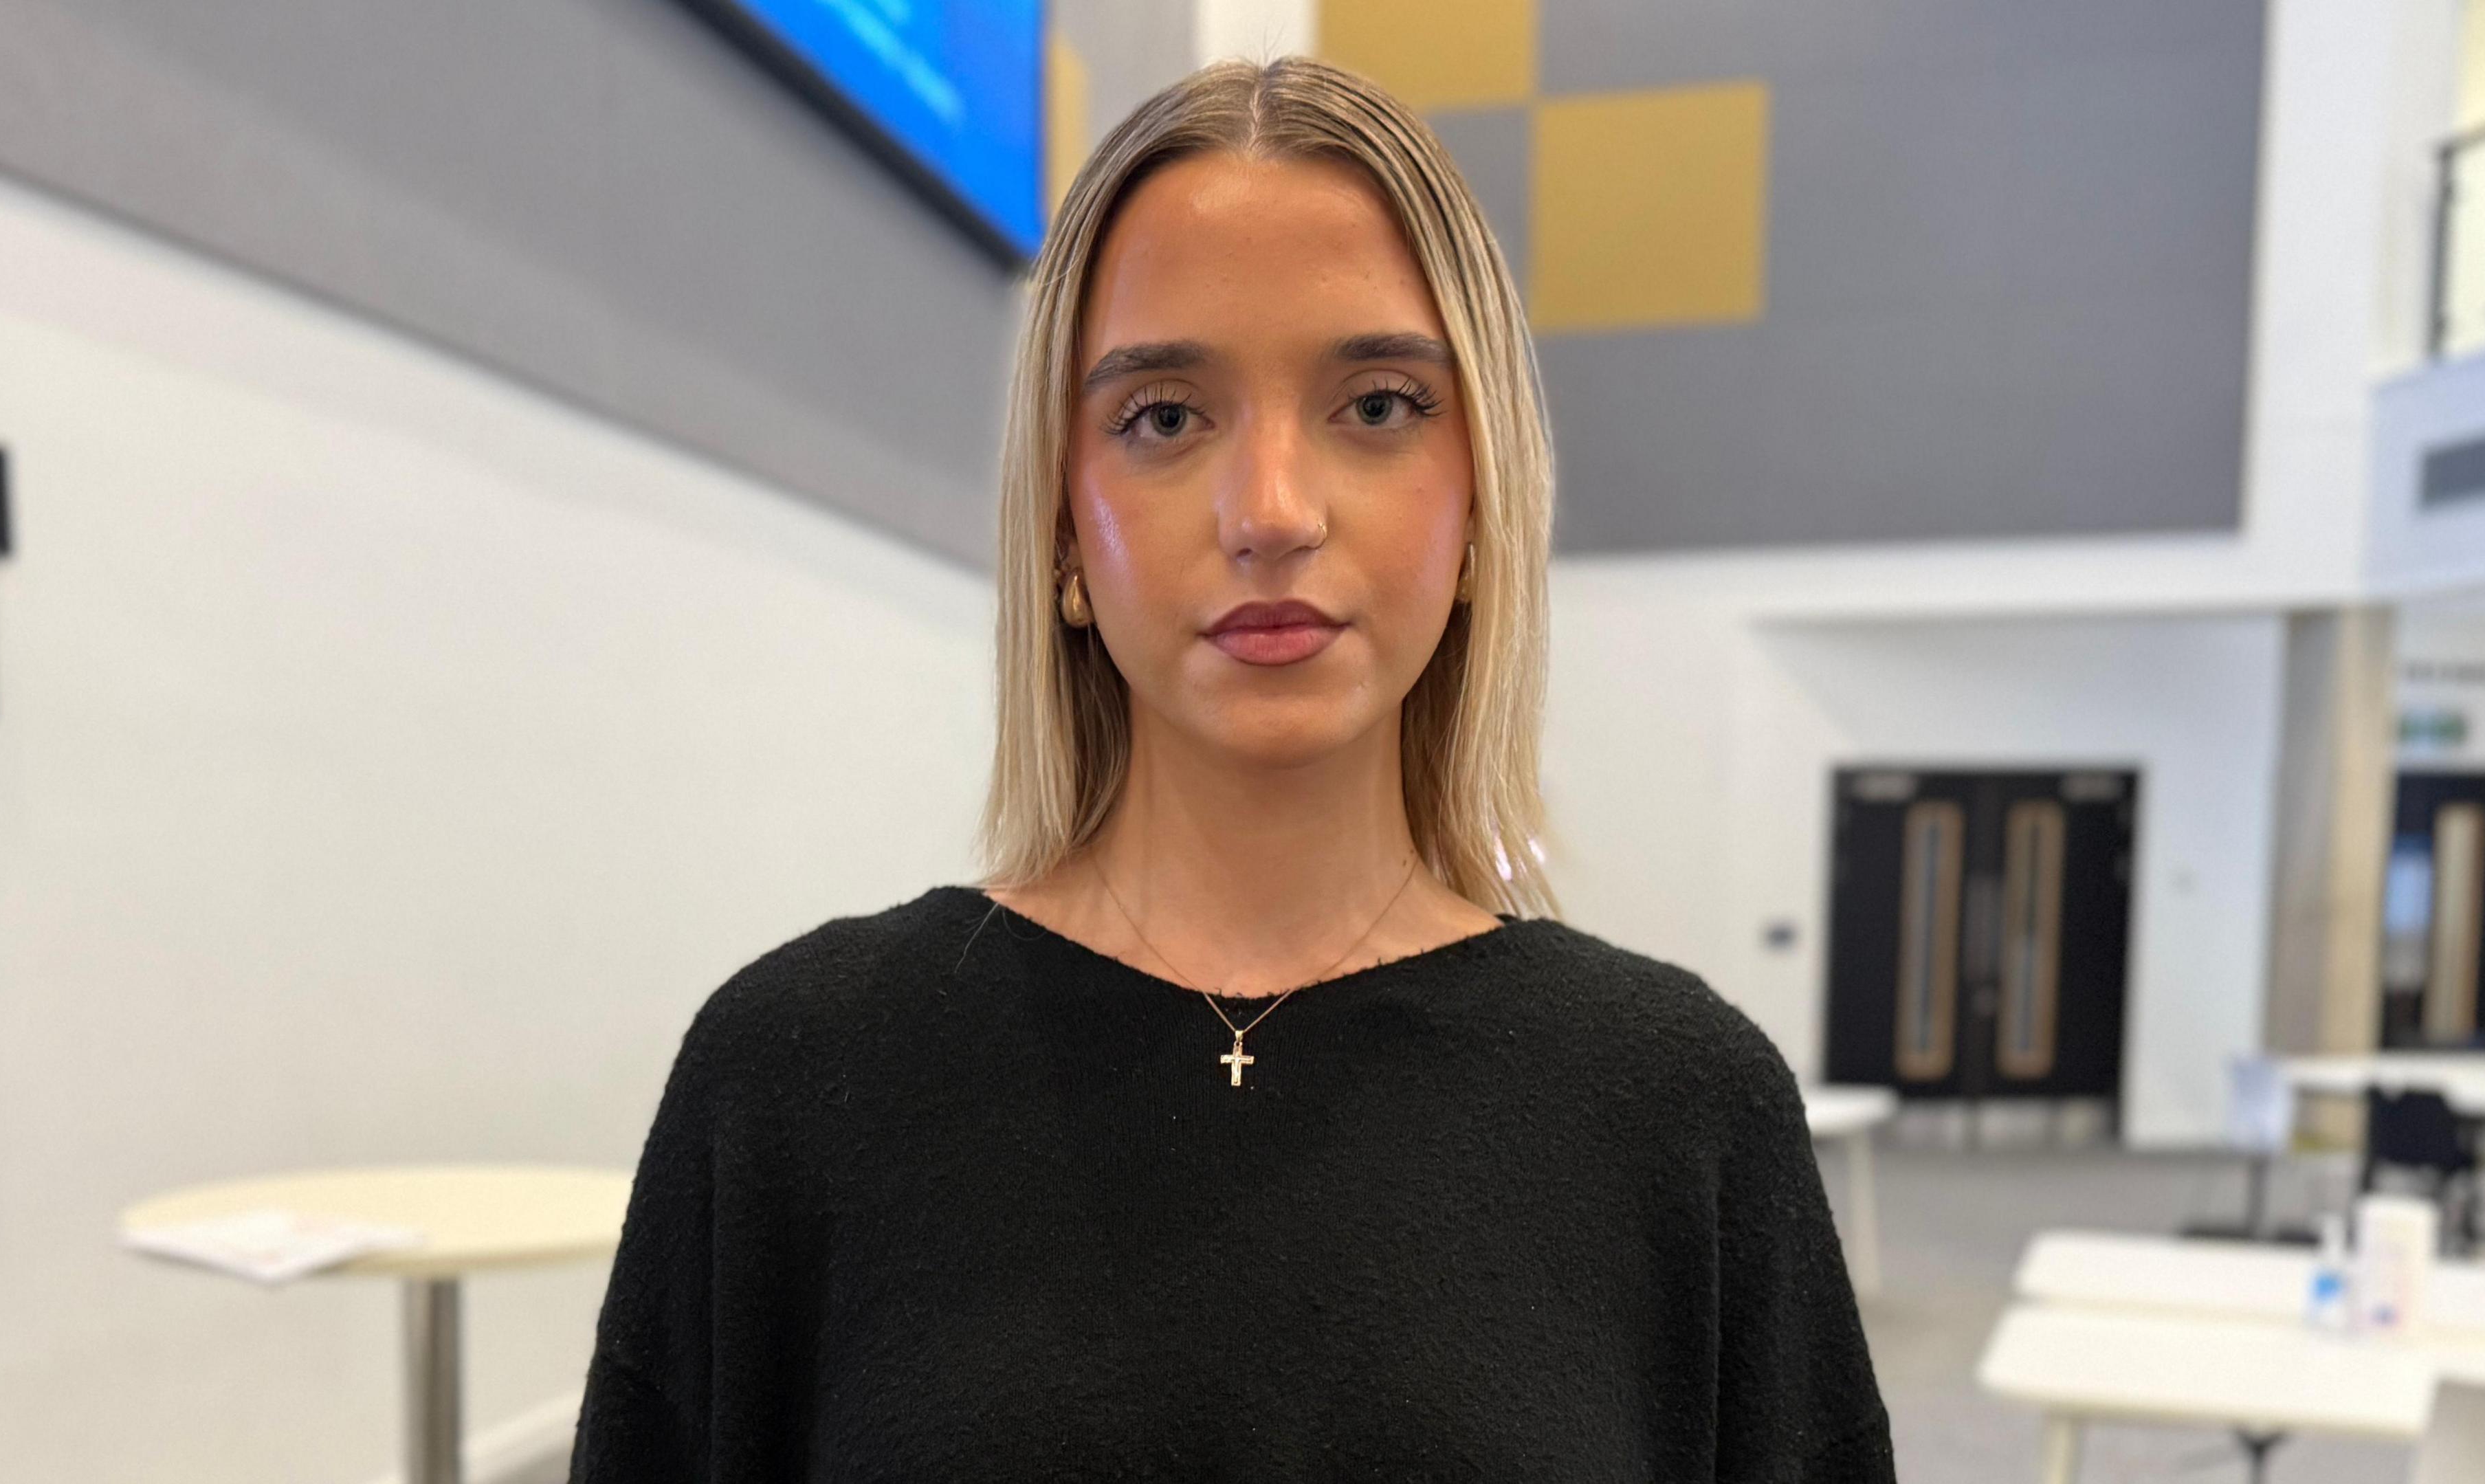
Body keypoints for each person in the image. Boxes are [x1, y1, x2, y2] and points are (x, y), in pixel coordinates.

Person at [568, 54, 1895, 1482]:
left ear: (1482, 497)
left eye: (1379, 404)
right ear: (1067, 529)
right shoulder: (791, 1078)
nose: (1271, 512)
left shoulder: (1682, 1112)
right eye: (1164, 418)